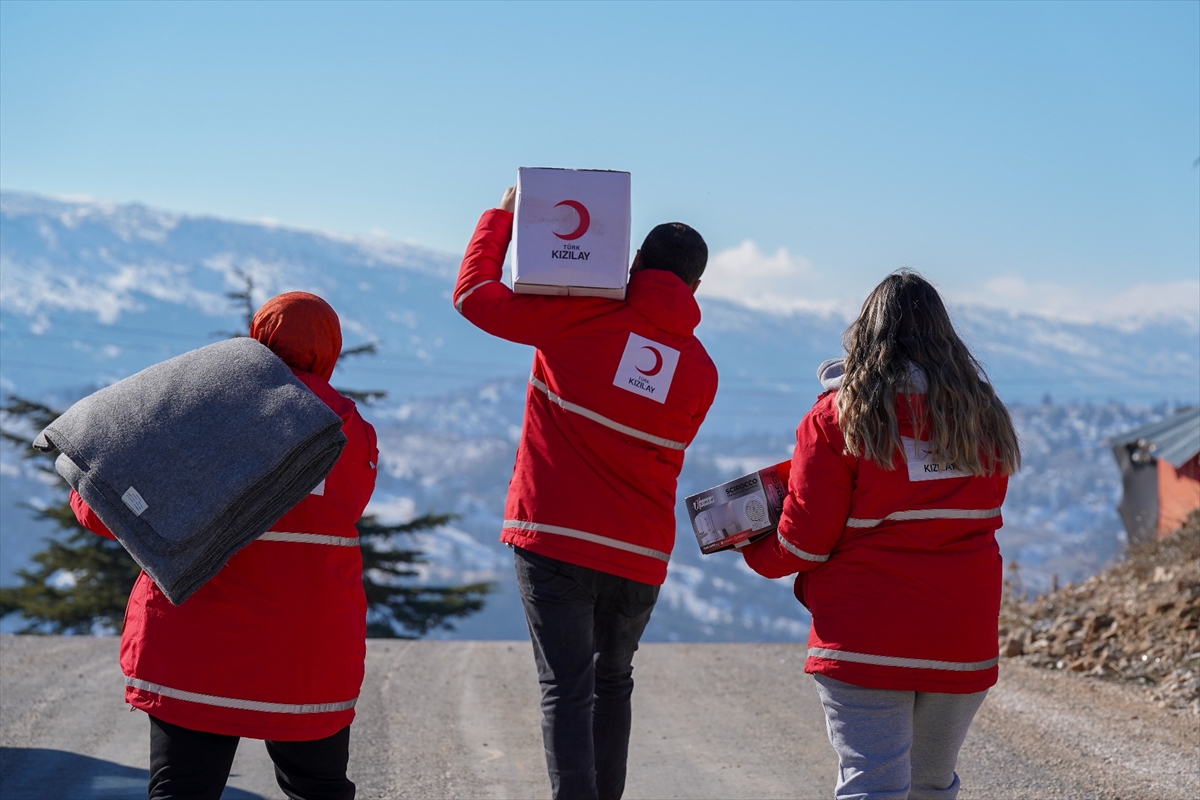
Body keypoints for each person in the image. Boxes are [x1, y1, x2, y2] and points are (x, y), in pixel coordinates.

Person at [453, 186, 718, 800]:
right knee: (613, 682)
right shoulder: (701, 370)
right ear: (694, 289)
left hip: (554, 537)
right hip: (639, 555)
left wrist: (504, 218)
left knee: (565, 689)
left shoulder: (580, 317)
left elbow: (474, 297)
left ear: (633, 266)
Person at [71, 292, 378, 800]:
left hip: (195, 650)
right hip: (308, 655)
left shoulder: (202, 408)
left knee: (182, 792)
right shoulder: (354, 433)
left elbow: (102, 515)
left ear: (258, 338)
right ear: (330, 351)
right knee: (319, 789)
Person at [741, 270, 1020, 800]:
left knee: (873, 785)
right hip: (961, 634)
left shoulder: (840, 418)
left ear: (866, 335)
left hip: (865, 633)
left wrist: (752, 546)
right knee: (931, 785)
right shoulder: (984, 417)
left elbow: (805, 542)